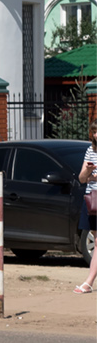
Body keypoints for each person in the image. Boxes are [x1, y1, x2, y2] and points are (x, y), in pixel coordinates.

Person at [74, 120, 97, 294]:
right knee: (96, 241)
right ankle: (88, 283)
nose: (96, 135)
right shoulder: (91, 150)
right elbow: (82, 179)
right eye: (94, 131)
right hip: (93, 199)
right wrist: (88, 172)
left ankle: (89, 282)